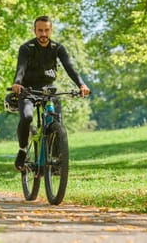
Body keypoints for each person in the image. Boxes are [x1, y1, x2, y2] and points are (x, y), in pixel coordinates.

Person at [11, 15, 91, 171]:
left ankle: (55, 161)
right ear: (34, 31)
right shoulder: (26, 48)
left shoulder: (58, 48)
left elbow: (69, 67)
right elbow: (20, 68)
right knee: (27, 117)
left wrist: (81, 84)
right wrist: (17, 83)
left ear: (51, 30)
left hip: (48, 89)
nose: (43, 34)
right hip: (28, 89)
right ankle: (22, 150)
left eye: (46, 30)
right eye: (40, 30)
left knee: (56, 123)